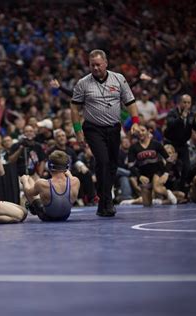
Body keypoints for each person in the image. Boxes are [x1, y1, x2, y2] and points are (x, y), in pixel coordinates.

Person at [57, 49, 140, 217]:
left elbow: (130, 102)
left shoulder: (119, 79)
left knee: (112, 166)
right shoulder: (83, 83)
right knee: (103, 161)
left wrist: (136, 122)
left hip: (114, 128)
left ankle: (102, 201)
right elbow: (74, 107)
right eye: (92, 65)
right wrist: (78, 132)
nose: (95, 68)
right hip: (93, 128)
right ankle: (106, 201)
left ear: (106, 64)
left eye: (98, 65)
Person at [20, 150, 80, 222]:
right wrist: (68, 173)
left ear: (49, 166)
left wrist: (24, 180)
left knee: (29, 180)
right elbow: (69, 176)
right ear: (67, 167)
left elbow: (28, 192)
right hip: (65, 217)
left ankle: (32, 206)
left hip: (47, 217)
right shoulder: (75, 181)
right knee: (37, 186)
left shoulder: (42, 183)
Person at [163, 94, 196, 192]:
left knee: (187, 167)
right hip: (170, 143)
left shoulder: (192, 114)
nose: (186, 104)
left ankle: (182, 190)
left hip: (183, 144)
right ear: (180, 103)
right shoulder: (172, 113)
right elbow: (170, 125)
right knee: (169, 166)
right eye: (184, 102)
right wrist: (181, 118)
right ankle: (167, 189)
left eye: (188, 102)